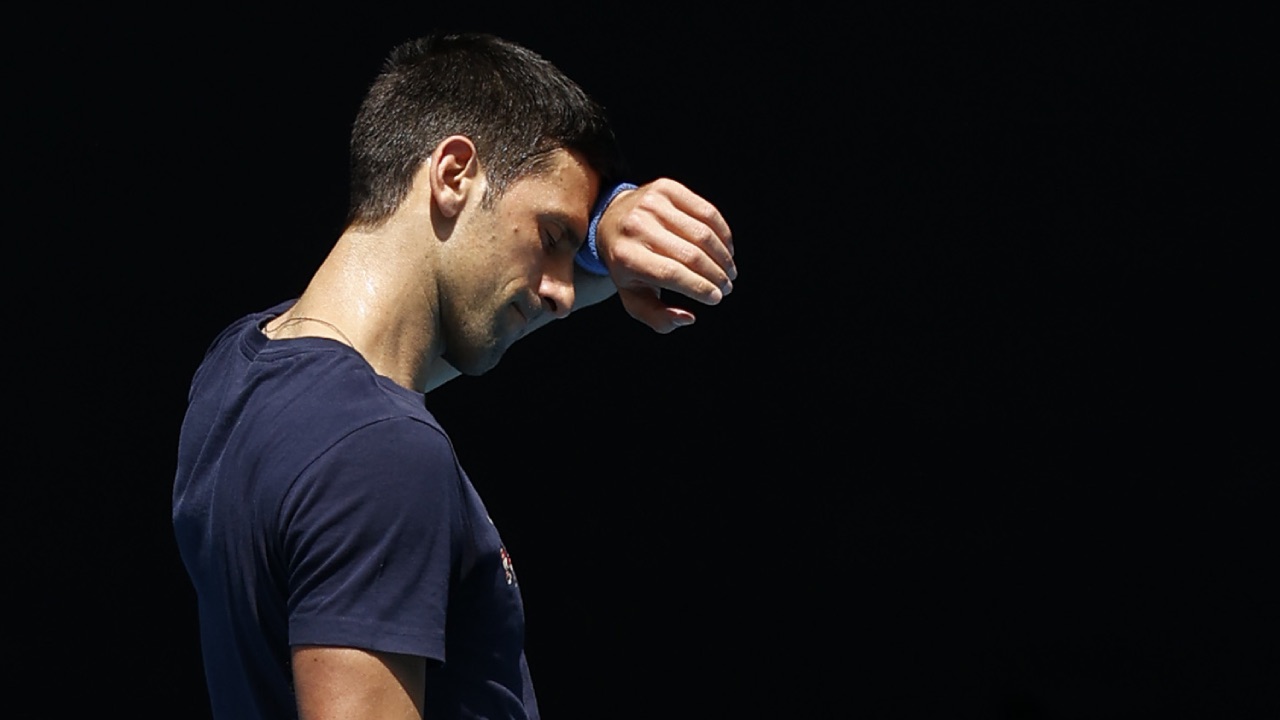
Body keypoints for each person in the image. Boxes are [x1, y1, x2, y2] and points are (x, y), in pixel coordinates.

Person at [172, 31, 736, 719]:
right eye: (551, 236)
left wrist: (601, 228)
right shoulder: (379, 453)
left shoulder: (239, 367)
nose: (564, 292)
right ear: (454, 174)